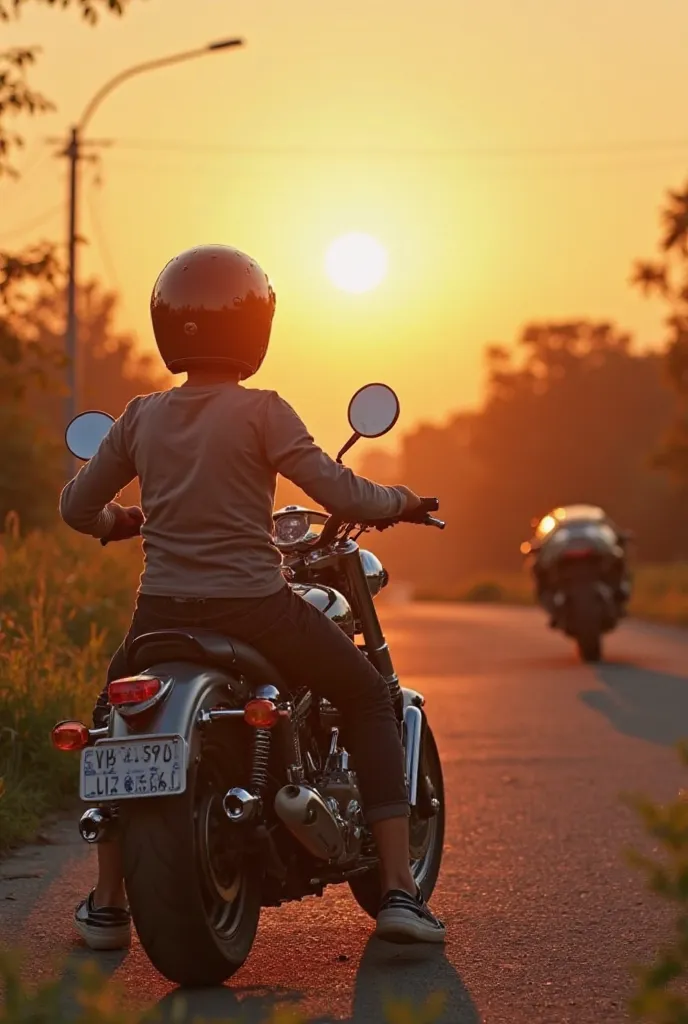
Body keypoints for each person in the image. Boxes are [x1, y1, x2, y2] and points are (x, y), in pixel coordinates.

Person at [59, 244, 445, 951]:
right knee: (363, 694)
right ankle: (396, 891)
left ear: (167, 327)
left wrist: (121, 522)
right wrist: (400, 501)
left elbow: (77, 507)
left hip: (161, 616)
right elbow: (338, 491)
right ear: (256, 327)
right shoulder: (263, 411)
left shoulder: (141, 416)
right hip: (253, 607)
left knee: (110, 724)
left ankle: (109, 902)